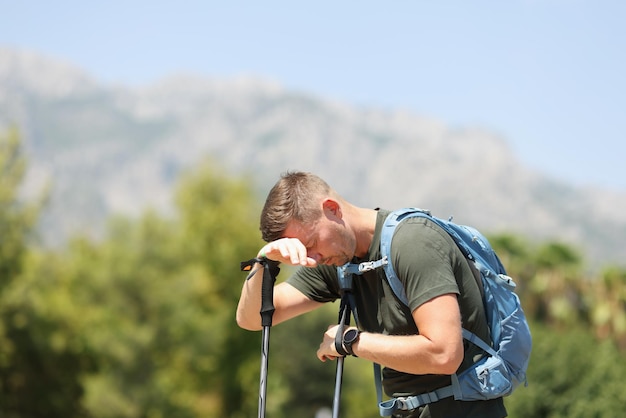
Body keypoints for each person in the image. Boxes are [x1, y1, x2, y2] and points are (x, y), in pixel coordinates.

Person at [236, 171, 507, 418]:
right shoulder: (337, 261)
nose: (312, 258)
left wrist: (350, 341)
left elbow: (444, 354)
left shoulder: (412, 242)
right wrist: (263, 263)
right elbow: (251, 319)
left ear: (331, 209)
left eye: (311, 244)